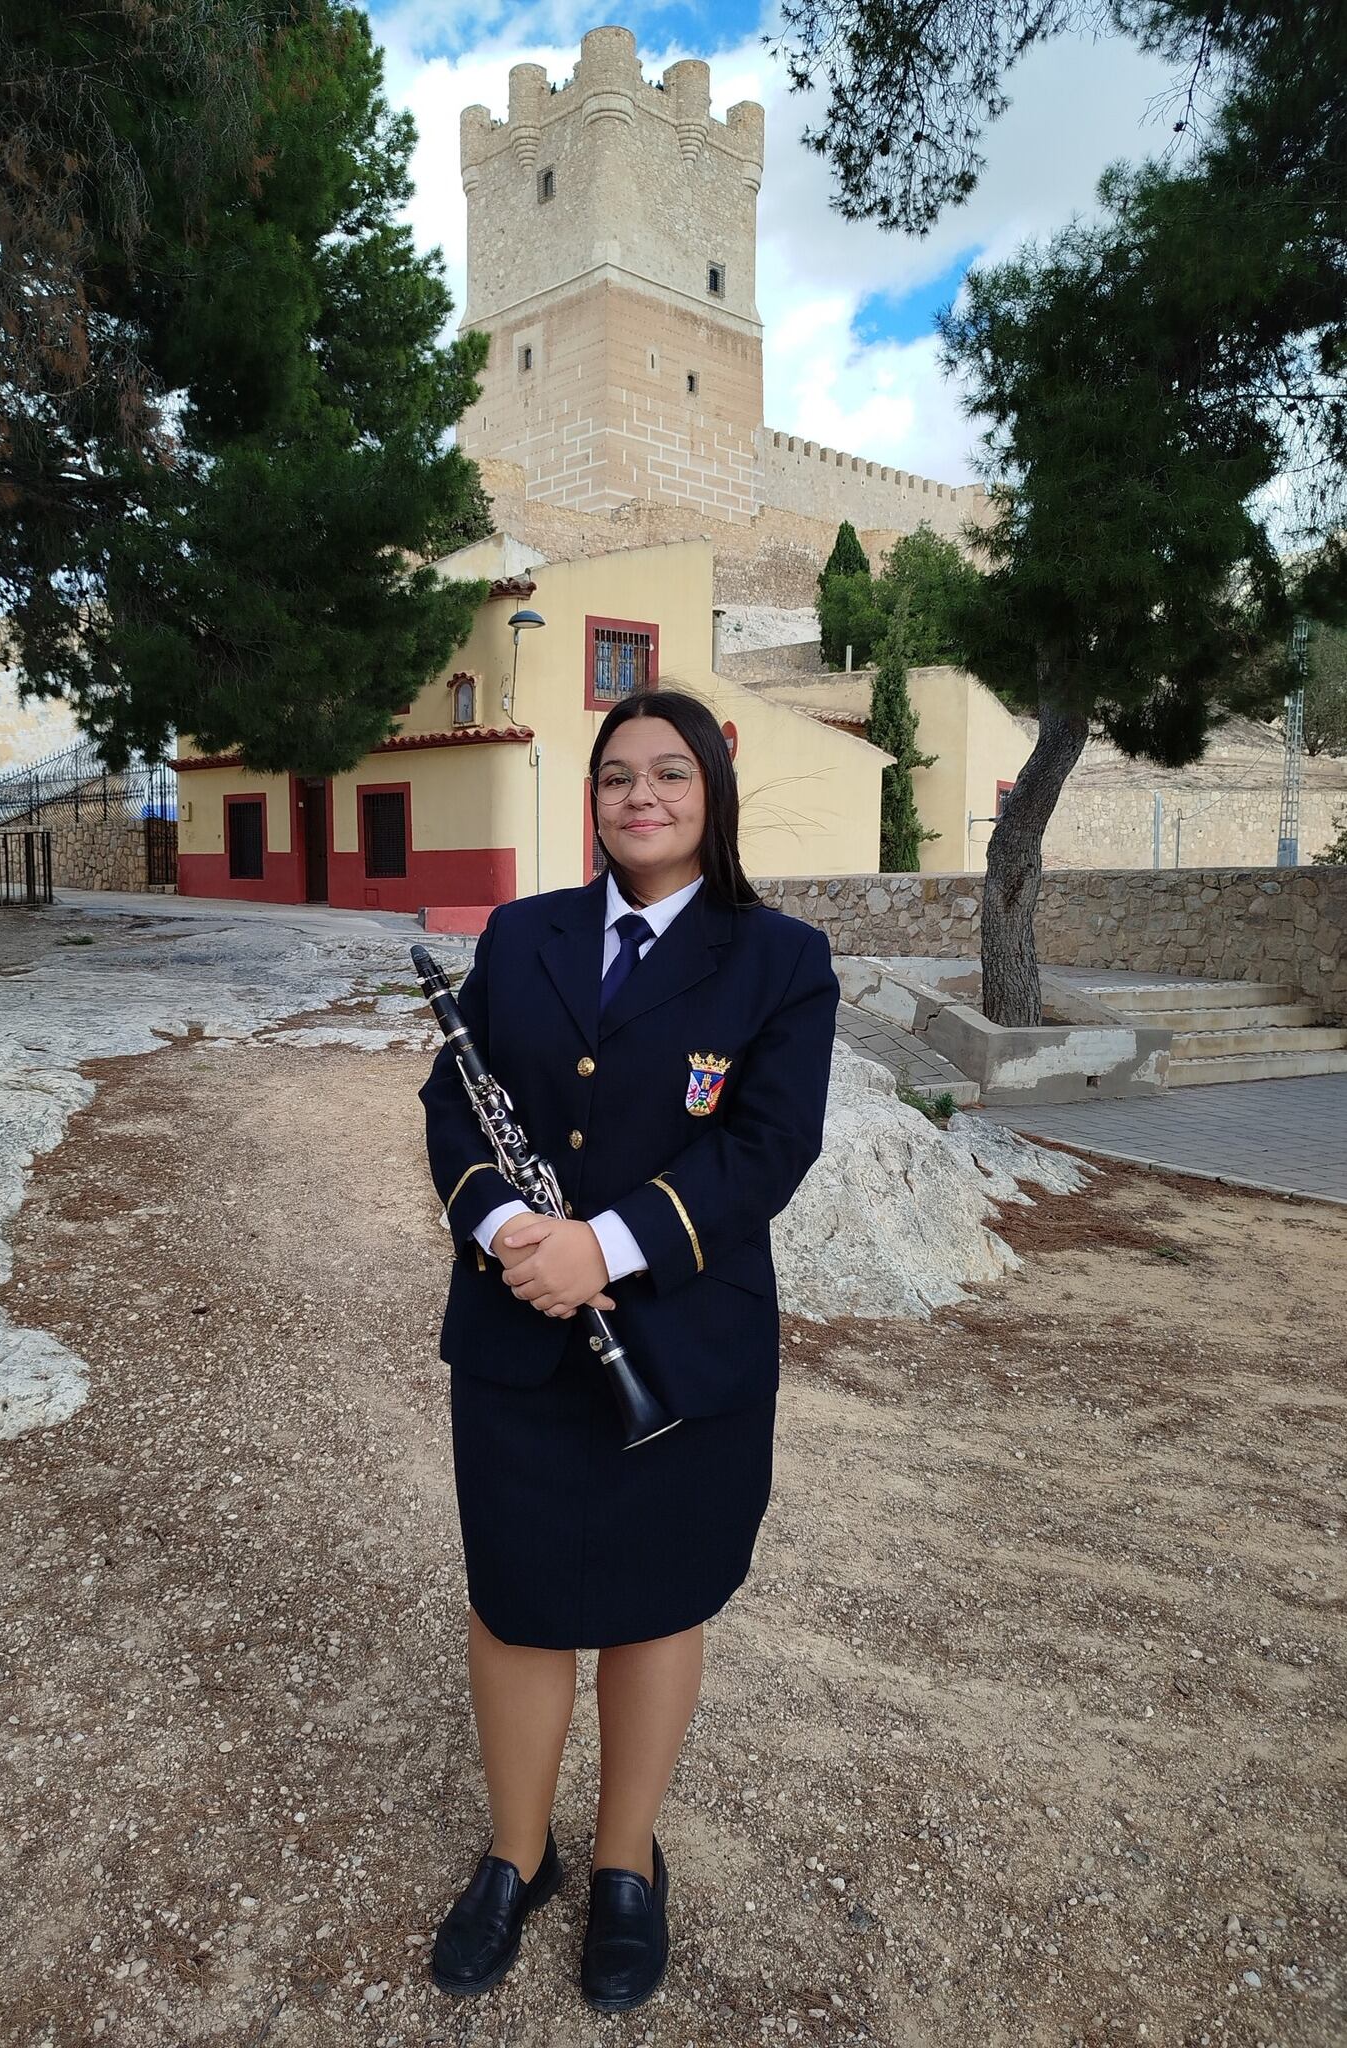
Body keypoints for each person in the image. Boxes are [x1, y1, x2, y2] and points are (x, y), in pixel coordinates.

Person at [418, 687, 839, 2012]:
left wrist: (604, 1245)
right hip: (519, 1329)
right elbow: (455, 1102)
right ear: (591, 800)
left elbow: (768, 1146)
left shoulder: (782, 958)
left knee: (658, 1601)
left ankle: (623, 1865)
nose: (638, 795)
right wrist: (502, 1226)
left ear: (711, 793)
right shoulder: (521, 934)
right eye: (615, 776)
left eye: (668, 773)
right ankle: (516, 1853)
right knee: (518, 1600)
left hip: (685, 1345)